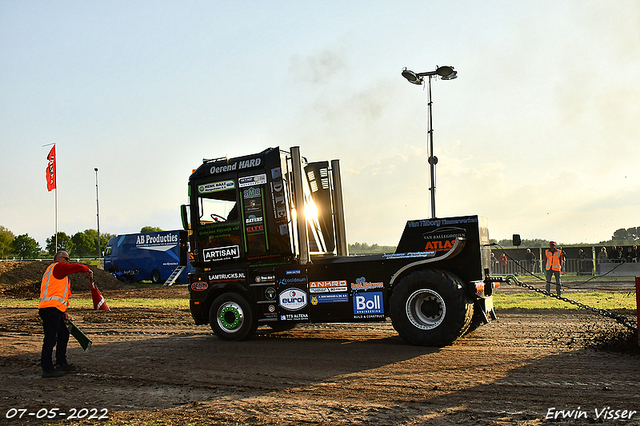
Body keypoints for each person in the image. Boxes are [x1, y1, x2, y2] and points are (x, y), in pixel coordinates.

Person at [39, 251, 93, 378]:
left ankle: (61, 362)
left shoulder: (59, 273)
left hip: (54, 309)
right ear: (58, 259)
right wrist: (87, 269)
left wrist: (63, 311)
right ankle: (47, 368)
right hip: (50, 309)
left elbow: (61, 295)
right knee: (50, 339)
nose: (68, 261)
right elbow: (75, 267)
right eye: (66, 258)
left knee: (63, 335)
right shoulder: (57, 267)